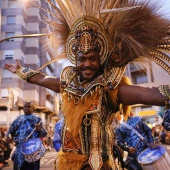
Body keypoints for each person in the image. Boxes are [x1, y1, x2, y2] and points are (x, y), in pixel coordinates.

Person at [3, 0, 170, 169]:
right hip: (68, 164)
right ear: (75, 61)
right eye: (82, 59)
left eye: (93, 58)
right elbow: (43, 79)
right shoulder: (68, 84)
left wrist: (167, 95)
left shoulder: (109, 88)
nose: (87, 64)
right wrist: (19, 70)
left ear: (101, 59)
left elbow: (147, 93)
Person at [6, 101, 47, 170]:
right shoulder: (18, 119)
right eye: (25, 107)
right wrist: (9, 137)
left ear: (33, 109)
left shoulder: (37, 119)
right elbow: (10, 132)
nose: (26, 108)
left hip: (33, 151)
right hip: (20, 150)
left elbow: (44, 134)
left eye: (29, 107)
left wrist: (40, 130)